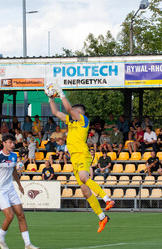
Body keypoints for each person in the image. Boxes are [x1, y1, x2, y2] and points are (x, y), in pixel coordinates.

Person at [48, 83, 114, 233]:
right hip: (74, 159)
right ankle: (102, 216)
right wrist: (50, 97)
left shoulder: (83, 120)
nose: (72, 112)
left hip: (83, 155)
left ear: (80, 112)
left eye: (75, 110)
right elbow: (55, 112)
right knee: (85, 191)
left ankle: (107, 199)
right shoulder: (71, 122)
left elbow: (68, 109)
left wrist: (62, 93)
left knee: (84, 178)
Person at [0, 134, 40, 249]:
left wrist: (19, 185)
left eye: (13, 142)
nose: (13, 145)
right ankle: (0, 239)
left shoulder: (13, 156)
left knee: (21, 215)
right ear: (4, 143)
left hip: (10, 188)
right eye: (10, 143)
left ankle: (28, 244)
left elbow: (13, 171)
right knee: (10, 215)